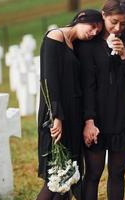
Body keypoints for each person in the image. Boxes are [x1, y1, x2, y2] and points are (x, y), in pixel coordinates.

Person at [77, 1, 125, 199]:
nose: (118, 28)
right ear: (103, 15)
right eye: (114, 22)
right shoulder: (89, 45)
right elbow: (87, 85)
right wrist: (89, 120)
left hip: (123, 116)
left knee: (117, 173)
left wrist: (124, 55)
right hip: (96, 118)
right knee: (93, 175)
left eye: (123, 24)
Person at [37, 9, 103, 200]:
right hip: (57, 115)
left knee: (68, 177)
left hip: (73, 116)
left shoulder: (75, 44)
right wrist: (56, 117)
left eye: (97, 32)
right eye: (92, 27)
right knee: (56, 177)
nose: (93, 33)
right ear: (81, 19)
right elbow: (49, 80)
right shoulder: (55, 37)